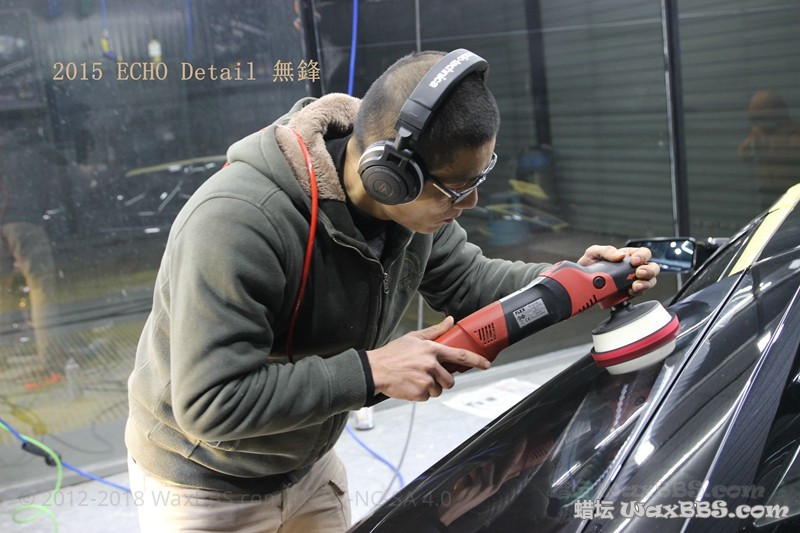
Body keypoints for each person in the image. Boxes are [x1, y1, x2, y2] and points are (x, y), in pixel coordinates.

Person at [125, 49, 659, 532]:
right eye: (456, 188)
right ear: (390, 174)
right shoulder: (238, 223)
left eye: (478, 180)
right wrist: (373, 372)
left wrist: (575, 280)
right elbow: (210, 403)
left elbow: (471, 282)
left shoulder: (413, 212)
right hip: (205, 488)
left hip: (308, 466)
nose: (470, 204)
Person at [0, 123, 67, 389]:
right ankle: (50, 361)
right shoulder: (36, 149)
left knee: (5, 292)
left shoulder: (5, 150)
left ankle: (5, 357)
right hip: (24, 223)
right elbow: (64, 169)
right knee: (41, 290)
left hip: (5, 223)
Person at [737, 90, 800, 211]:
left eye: (760, 117)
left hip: (790, 195)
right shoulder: (759, 133)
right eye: (754, 119)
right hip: (767, 193)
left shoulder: (794, 133)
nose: (758, 122)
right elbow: (743, 153)